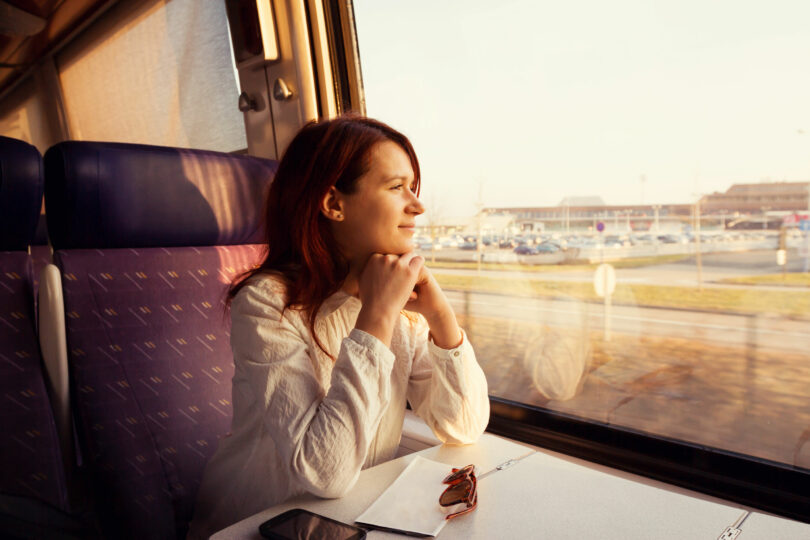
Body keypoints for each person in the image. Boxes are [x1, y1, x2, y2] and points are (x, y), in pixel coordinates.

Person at [188, 115, 489, 538]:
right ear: (333, 203)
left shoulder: (396, 298)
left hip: (348, 517)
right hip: (259, 523)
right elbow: (324, 471)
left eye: (413, 188)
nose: (417, 206)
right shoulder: (267, 303)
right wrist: (377, 317)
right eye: (396, 187)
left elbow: (463, 425)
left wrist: (441, 318)